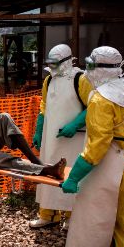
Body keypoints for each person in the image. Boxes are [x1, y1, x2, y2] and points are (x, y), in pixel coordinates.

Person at [51, 46, 124, 247]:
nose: (87, 71)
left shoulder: (101, 98)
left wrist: (73, 178)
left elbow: (97, 147)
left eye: (90, 66)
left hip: (108, 169)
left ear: (99, 69)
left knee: (87, 225)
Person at [29, 44, 93, 230]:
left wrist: (75, 124)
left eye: (56, 63)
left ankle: (73, 217)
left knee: (72, 174)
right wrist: (39, 131)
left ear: (67, 61)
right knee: (48, 172)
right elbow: (44, 107)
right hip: (51, 139)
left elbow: (94, 105)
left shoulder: (81, 79)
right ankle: (48, 215)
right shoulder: (48, 81)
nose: (53, 66)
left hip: (75, 141)